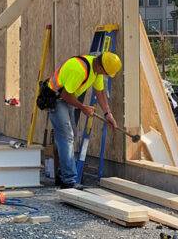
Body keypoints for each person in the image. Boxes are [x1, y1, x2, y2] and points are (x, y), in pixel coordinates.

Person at [44, 51, 122, 189]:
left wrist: (107, 114)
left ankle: (62, 176)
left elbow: (100, 92)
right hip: (55, 98)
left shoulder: (96, 71)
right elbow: (65, 94)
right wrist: (83, 108)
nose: (105, 75)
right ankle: (69, 181)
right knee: (67, 137)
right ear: (102, 67)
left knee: (68, 136)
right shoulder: (79, 70)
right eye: (106, 73)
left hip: (66, 98)